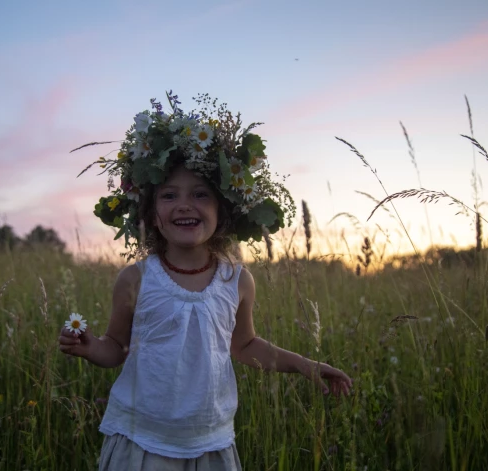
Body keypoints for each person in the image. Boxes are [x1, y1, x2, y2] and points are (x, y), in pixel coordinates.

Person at [59, 92, 352, 470]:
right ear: (150, 212)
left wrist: (304, 364)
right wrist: (90, 347)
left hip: (210, 440)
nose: (184, 204)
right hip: (142, 439)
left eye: (201, 194)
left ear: (223, 210)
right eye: (169, 195)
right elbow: (116, 347)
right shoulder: (135, 279)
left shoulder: (237, 280)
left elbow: (245, 345)